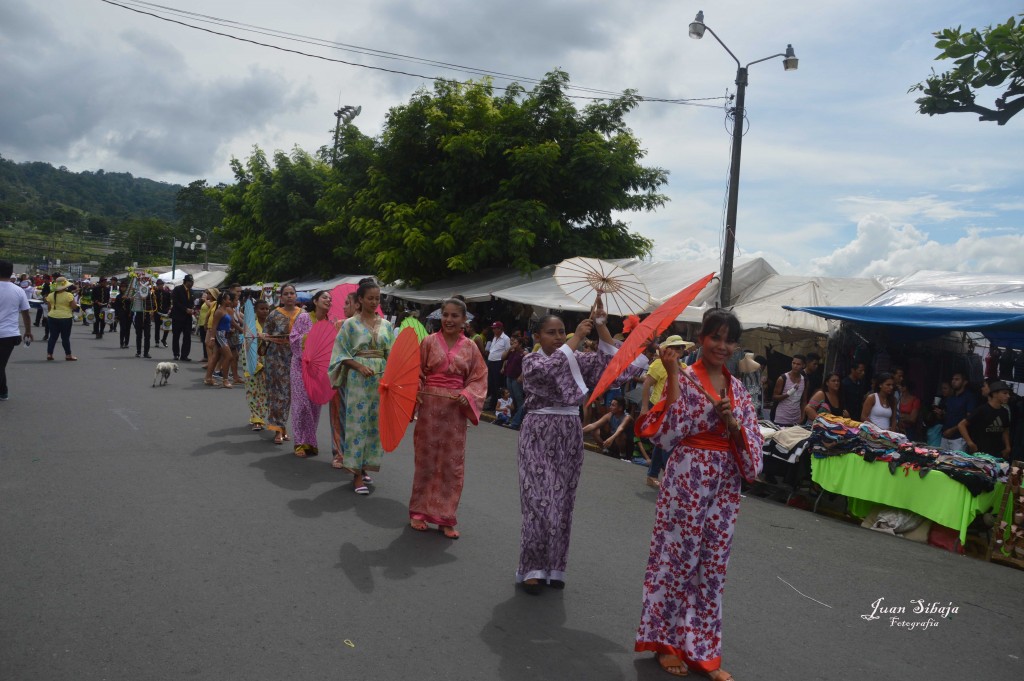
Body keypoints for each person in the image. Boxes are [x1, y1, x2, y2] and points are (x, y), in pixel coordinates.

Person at [634, 309, 763, 680]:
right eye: (715, 337)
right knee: (676, 560)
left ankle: (703, 652)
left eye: (729, 339)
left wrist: (734, 424)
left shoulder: (739, 389)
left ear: (736, 345)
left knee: (713, 566)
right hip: (687, 477)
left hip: (725, 483)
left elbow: (753, 446)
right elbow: (667, 435)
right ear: (701, 338)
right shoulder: (687, 379)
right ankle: (666, 644)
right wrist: (673, 375)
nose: (722, 346)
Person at [515, 297, 643, 594]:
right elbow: (550, 370)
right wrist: (576, 338)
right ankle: (532, 568)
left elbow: (615, 367)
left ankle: (554, 566)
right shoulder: (531, 360)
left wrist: (600, 327)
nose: (559, 336)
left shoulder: (579, 358)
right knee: (537, 500)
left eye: (562, 331)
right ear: (538, 337)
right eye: (552, 332)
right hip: (538, 431)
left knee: (561, 502)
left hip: (569, 432)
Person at [408, 297, 487, 537]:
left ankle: (445, 516)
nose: (449, 320)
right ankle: (419, 512)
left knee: (452, 465)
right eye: (446, 315)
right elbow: (416, 372)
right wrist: (416, 391)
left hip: (455, 412)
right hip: (429, 409)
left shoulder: (471, 347)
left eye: (455, 316)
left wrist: (468, 394)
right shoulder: (429, 342)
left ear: (465, 320)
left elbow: (478, 378)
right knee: (426, 461)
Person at [328, 277, 395, 494]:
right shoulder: (349, 325)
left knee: (374, 426)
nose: (374, 302)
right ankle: (356, 475)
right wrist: (357, 366)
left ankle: (365, 466)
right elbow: (339, 354)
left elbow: (391, 355)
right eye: (370, 298)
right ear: (360, 299)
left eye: (377, 298)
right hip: (358, 380)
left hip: (380, 380)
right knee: (357, 424)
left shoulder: (386, 325)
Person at [641, 335, 693, 488]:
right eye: (676, 347)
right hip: (658, 407)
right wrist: (644, 407)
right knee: (667, 443)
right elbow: (647, 384)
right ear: (667, 349)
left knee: (662, 443)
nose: (680, 350)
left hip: (675, 411)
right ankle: (669, 477)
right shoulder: (659, 363)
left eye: (682, 347)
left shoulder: (684, 368)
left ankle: (652, 474)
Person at [289, 290, 332, 457]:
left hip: (319, 369)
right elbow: (293, 339)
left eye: (330, 299)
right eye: (324, 297)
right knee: (301, 405)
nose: (328, 300)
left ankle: (310, 441)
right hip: (301, 366)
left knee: (315, 405)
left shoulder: (331, 322)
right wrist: (310, 338)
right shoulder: (304, 317)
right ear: (315, 301)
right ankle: (299, 442)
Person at [263, 285, 301, 445]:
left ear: (296, 296)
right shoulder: (273, 314)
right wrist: (264, 336)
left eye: (292, 293)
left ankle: (284, 425)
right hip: (276, 357)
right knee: (278, 393)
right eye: (286, 294)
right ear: (281, 297)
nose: (289, 296)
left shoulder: (303, 315)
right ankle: (278, 428)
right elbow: (266, 334)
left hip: (296, 357)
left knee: (291, 394)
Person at [329, 292, 357, 469]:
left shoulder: (373, 326)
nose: (344, 306)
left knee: (356, 417)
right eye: (344, 302)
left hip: (362, 377)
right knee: (339, 415)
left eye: (348, 303)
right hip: (342, 373)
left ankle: (354, 454)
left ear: (357, 304)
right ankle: (340, 452)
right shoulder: (340, 324)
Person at [0, 260, 34, 400]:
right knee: (1, 364)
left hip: (7, 334)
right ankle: (3, 391)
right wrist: (28, 331)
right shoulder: (18, 290)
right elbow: (25, 313)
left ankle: (3, 391)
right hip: (10, 334)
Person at [958, 380, 1012, 459]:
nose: (1008, 396)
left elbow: (1005, 430)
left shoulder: (1004, 412)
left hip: (997, 453)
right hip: (980, 452)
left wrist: (1008, 447)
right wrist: (970, 442)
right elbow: (961, 425)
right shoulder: (982, 410)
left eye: (1008, 393)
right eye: (1004, 393)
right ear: (994, 394)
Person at [245, 299, 270, 431]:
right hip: (254, 360)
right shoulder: (250, 326)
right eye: (262, 309)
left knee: (266, 391)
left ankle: (261, 415)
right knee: (253, 391)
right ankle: (256, 418)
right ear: (255, 310)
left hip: (269, 361)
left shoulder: (272, 325)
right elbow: (246, 346)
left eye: (267, 308)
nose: (265, 311)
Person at [204, 291, 236, 388]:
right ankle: (225, 380)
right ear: (223, 300)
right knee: (229, 356)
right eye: (228, 299)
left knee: (216, 357)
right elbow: (214, 326)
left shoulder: (226, 310)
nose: (230, 301)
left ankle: (208, 378)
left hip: (224, 335)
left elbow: (231, 323)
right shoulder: (219, 311)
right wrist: (213, 338)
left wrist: (239, 330)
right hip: (219, 336)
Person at [940, 371, 977, 452]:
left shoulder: (969, 397)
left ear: (964, 382)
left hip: (959, 438)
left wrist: (952, 430)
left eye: (957, 379)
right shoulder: (951, 396)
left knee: (957, 462)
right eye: (953, 379)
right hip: (945, 435)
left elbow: (969, 418)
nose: (953, 381)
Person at [44, 276, 78, 361]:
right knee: (65, 338)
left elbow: (49, 307)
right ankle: (68, 355)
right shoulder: (69, 295)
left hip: (52, 316)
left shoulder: (51, 295)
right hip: (65, 317)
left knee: (52, 337)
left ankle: (49, 354)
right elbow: (74, 307)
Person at [771, 354, 807, 426]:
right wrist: (788, 394)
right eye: (793, 363)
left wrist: (802, 417)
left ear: (803, 365)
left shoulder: (805, 380)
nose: (795, 366)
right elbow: (774, 397)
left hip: (796, 418)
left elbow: (804, 401)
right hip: (781, 418)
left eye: (798, 364)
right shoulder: (783, 378)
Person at [484, 321, 510, 410]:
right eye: (493, 328)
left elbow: (507, 353)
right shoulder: (495, 337)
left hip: (498, 363)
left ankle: (495, 405)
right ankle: (491, 404)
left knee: (496, 385)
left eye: (495, 328)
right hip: (491, 362)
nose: (493, 330)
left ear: (500, 329)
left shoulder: (506, 339)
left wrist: (503, 366)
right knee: (490, 384)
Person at [170, 274, 196, 361]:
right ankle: (176, 354)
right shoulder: (177, 289)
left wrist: (192, 309)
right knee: (176, 336)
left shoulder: (191, 291)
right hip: (178, 316)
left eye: (192, 282)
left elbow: (192, 303)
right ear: (185, 281)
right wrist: (185, 309)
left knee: (187, 336)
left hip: (188, 317)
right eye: (190, 282)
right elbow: (176, 302)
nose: (191, 284)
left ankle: (184, 355)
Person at [131, 275, 157, 359]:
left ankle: (146, 352)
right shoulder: (136, 291)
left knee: (147, 335)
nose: (143, 281)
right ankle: (138, 352)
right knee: (139, 334)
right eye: (142, 280)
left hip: (147, 315)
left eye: (145, 280)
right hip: (139, 314)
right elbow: (132, 300)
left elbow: (153, 303)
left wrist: (152, 311)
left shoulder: (151, 292)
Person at [114, 280, 132, 348]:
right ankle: (121, 342)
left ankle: (126, 343)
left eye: (124, 287)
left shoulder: (130, 296)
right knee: (123, 328)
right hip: (122, 314)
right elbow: (116, 306)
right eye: (122, 287)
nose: (123, 288)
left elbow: (132, 304)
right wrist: (116, 315)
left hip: (129, 313)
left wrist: (129, 299)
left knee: (128, 329)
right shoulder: (118, 296)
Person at [154, 279, 172, 348]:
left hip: (165, 312)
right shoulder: (155, 293)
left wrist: (169, 310)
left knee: (167, 327)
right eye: (158, 285)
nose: (159, 286)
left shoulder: (167, 293)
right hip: (157, 312)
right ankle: (157, 341)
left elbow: (169, 303)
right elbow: (153, 303)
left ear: (163, 285)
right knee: (157, 327)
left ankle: (164, 339)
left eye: (161, 284)